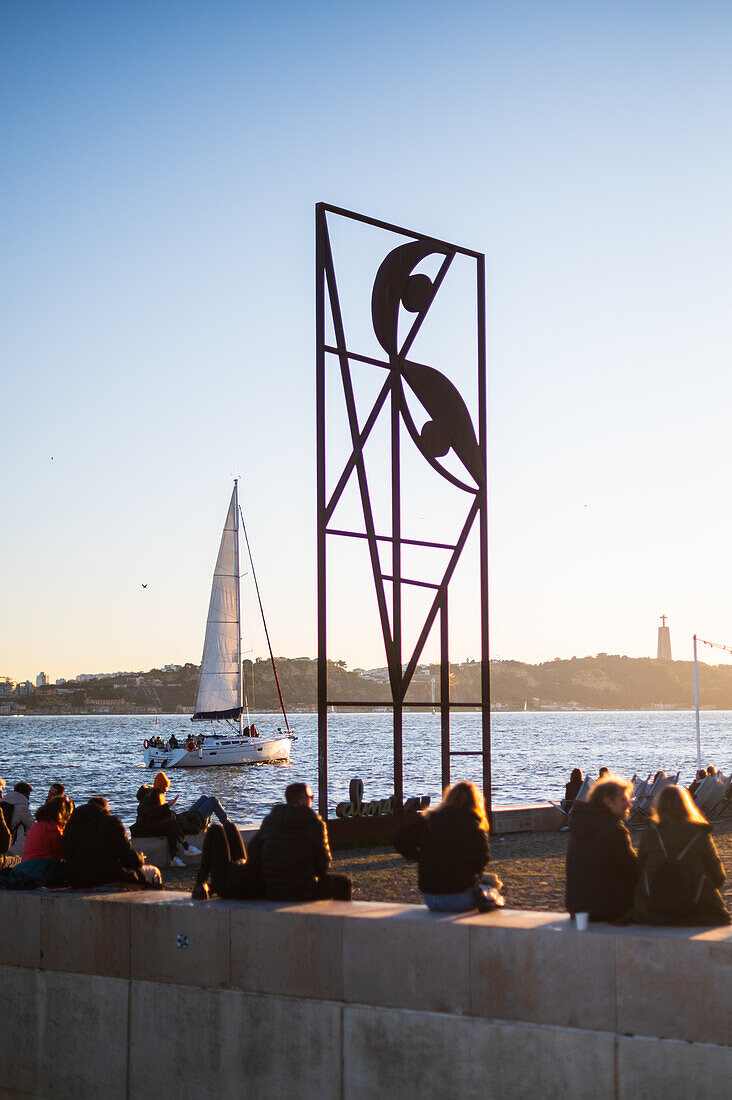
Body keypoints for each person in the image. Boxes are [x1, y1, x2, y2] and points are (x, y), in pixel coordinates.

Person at [630, 784, 730, 926]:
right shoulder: (699, 834)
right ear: (686, 805)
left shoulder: (651, 834)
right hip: (697, 909)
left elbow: (640, 871)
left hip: (654, 910)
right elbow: (718, 876)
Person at [394, 781, 496, 912]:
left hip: (431, 898)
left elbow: (399, 840)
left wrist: (419, 857)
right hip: (460, 898)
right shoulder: (474, 826)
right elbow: (482, 860)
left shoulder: (429, 820)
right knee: (490, 883)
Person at [254, 782, 351, 901]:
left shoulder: (270, 821)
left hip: (272, 889)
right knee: (344, 883)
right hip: (303, 890)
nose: (311, 801)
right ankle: (336, 918)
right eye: (311, 797)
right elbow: (322, 866)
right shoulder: (314, 823)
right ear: (302, 799)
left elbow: (254, 850)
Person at [565, 773, 638, 922]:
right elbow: (634, 870)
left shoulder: (582, 825)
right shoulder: (612, 830)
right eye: (623, 799)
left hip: (577, 907)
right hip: (607, 908)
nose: (628, 804)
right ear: (608, 801)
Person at [63, 797, 159, 889]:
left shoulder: (70, 826)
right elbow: (127, 856)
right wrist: (140, 858)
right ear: (105, 809)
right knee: (154, 872)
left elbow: (67, 854)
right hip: (108, 877)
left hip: (78, 880)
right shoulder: (111, 822)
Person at [130, 773, 201, 867]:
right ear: (160, 787)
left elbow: (160, 813)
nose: (166, 790)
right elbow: (152, 815)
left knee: (171, 825)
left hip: (151, 823)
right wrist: (167, 806)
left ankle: (174, 857)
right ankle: (186, 846)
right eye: (165, 787)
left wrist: (170, 812)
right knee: (171, 824)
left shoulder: (158, 795)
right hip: (144, 827)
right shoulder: (149, 798)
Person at [191, 820, 263, 901]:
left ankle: (200, 882)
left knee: (215, 829)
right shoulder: (276, 845)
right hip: (245, 880)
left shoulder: (269, 835)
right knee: (230, 827)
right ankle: (204, 885)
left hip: (230, 887)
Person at [21, 795, 74, 862]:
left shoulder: (38, 825)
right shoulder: (52, 829)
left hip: (26, 864)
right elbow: (63, 853)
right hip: (39, 867)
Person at [5, 782, 35, 856]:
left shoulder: (4, 802)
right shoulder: (22, 806)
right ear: (25, 794)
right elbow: (32, 825)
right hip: (16, 845)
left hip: (4, 841)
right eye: (29, 795)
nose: (28, 798)